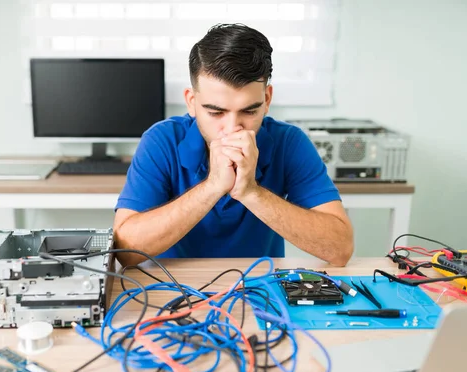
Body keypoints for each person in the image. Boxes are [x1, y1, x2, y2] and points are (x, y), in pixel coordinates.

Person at [113, 23, 354, 267]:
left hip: (260, 290)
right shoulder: (161, 140)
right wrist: (213, 186)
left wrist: (251, 192)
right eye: (216, 112)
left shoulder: (289, 142)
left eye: (249, 111)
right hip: (171, 291)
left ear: (267, 99)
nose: (232, 128)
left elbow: (340, 249)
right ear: (192, 102)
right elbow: (125, 252)